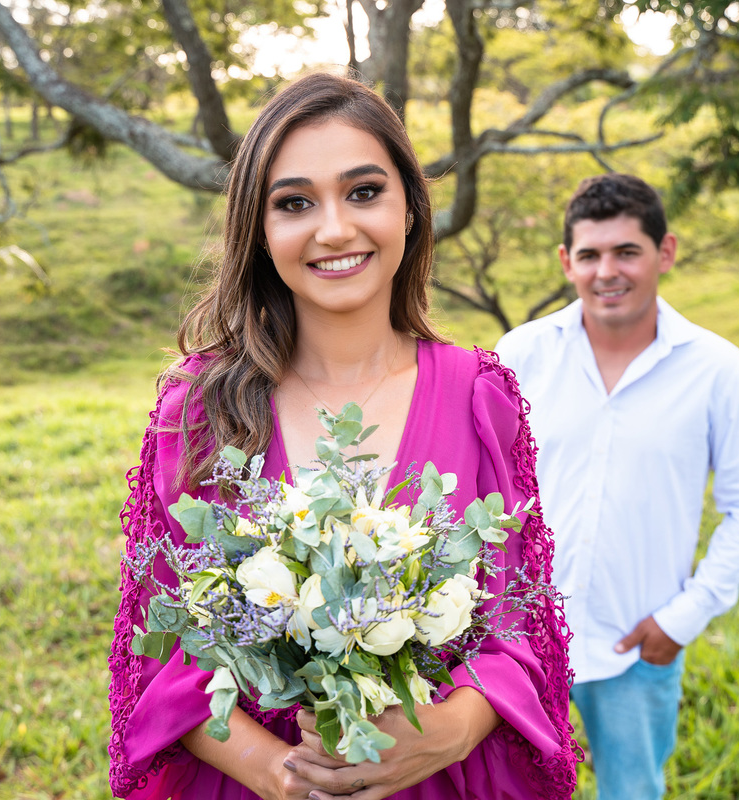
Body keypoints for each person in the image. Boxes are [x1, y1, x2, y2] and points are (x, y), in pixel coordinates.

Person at [107, 72, 581, 800]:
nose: (333, 229)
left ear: (411, 209)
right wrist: (280, 773)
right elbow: (163, 658)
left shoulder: (481, 397)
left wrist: (448, 730)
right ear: (260, 232)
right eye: (295, 203)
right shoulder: (197, 409)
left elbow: (518, 627)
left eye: (363, 192)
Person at [494, 174, 739, 800]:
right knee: (508, 789)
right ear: (567, 261)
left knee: (632, 791)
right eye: (591, 255)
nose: (608, 272)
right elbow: (485, 487)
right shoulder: (522, 353)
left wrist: (684, 617)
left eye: (627, 251)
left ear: (665, 253)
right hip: (519, 637)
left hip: (637, 643)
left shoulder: (718, 370)